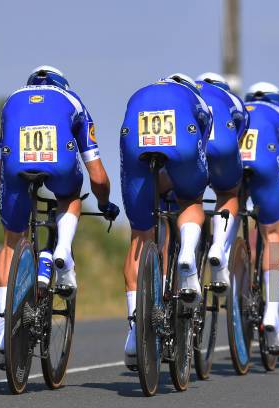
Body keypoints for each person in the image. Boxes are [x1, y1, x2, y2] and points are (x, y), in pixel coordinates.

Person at [0, 65, 119, 370]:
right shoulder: (73, 100)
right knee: (70, 195)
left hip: (16, 167)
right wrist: (104, 203)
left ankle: (1, 331)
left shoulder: (12, 101)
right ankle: (61, 251)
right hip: (60, 163)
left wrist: (21, 195)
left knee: (10, 243)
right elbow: (97, 175)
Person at [119, 73, 212, 367]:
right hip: (183, 142)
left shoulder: (141, 92)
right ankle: (186, 254)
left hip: (134, 139)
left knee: (140, 234)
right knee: (191, 199)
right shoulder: (196, 99)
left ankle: (135, 337)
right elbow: (202, 146)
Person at [242, 81, 279, 354]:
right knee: (272, 234)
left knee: (230, 204)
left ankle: (224, 252)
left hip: (235, 167)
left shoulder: (239, 109)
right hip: (266, 166)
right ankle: (272, 315)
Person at [195, 72, 249, 290]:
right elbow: (238, 138)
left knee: (188, 198)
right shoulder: (232, 99)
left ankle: (183, 250)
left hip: (192, 146)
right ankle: (219, 245)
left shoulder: (190, 92)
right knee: (228, 193)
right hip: (223, 148)